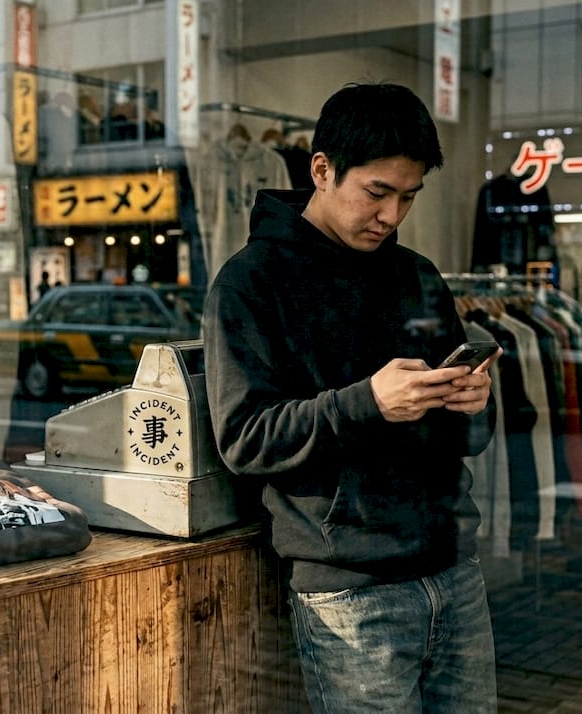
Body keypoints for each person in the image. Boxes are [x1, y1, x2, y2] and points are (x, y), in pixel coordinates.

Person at [203, 83, 500, 713]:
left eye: (408, 197)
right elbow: (244, 438)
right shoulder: (251, 282)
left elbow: (468, 439)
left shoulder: (417, 275)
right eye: (377, 192)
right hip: (351, 595)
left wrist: (472, 403)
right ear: (321, 170)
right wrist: (368, 402)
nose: (392, 215)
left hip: (453, 568)